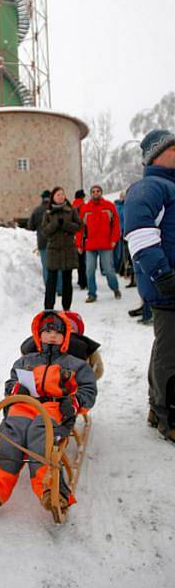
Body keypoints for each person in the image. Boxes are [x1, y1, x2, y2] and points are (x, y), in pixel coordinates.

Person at [0, 311, 97, 514]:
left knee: (39, 435)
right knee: (12, 434)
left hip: (54, 408)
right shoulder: (25, 361)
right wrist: (16, 389)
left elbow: (88, 390)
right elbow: (10, 382)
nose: (52, 336)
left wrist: (74, 402)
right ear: (38, 334)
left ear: (65, 336)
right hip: (25, 404)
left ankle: (51, 489)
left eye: (57, 333)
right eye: (47, 331)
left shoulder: (75, 364)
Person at [124, 129, 175, 441]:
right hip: (167, 285)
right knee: (170, 353)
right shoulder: (149, 187)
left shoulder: (168, 187)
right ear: (157, 154)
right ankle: (168, 413)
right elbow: (140, 235)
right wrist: (164, 276)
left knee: (167, 348)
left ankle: (158, 407)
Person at [77, 184, 121, 303]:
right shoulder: (85, 208)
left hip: (106, 244)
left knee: (109, 270)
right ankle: (92, 293)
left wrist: (114, 240)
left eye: (98, 191)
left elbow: (116, 224)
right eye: (93, 191)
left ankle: (115, 288)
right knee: (89, 270)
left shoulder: (109, 206)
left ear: (101, 193)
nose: (96, 193)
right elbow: (80, 229)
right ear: (90, 194)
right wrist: (79, 244)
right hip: (90, 245)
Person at [40, 187, 82, 311]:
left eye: (63, 194)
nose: (61, 196)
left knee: (67, 280)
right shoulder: (47, 213)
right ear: (53, 197)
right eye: (58, 195)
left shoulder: (71, 210)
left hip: (68, 249)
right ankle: (48, 308)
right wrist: (55, 224)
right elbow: (44, 231)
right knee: (51, 280)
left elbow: (79, 226)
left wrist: (66, 224)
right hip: (53, 250)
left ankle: (66, 307)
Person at [27, 190, 62, 295]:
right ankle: (60, 289)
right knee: (58, 267)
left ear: (42, 198)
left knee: (47, 267)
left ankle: (49, 290)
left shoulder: (37, 210)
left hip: (43, 243)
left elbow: (30, 226)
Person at [72, 189, 87, 289]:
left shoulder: (72, 206)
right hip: (82, 236)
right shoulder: (84, 206)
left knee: (76, 259)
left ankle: (79, 280)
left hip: (73, 236)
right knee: (82, 261)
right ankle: (83, 281)